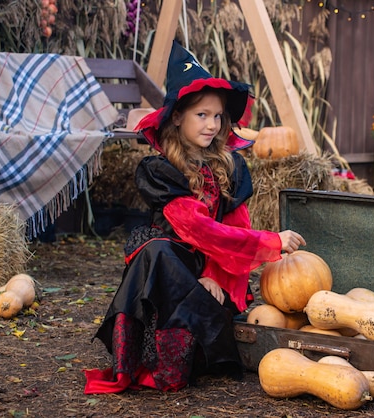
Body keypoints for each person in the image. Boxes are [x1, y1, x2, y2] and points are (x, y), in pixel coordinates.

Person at [84, 40, 306, 395]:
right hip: (169, 271)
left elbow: (235, 227)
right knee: (158, 251)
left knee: (193, 299)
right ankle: (151, 358)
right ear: (177, 117)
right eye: (201, 115)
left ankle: (188, 352)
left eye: (218, 116)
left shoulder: (231, 167)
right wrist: (271, 241)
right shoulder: (160, 169)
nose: (212, 125)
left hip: (212, 275)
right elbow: (197, 229)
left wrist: (212, 275)